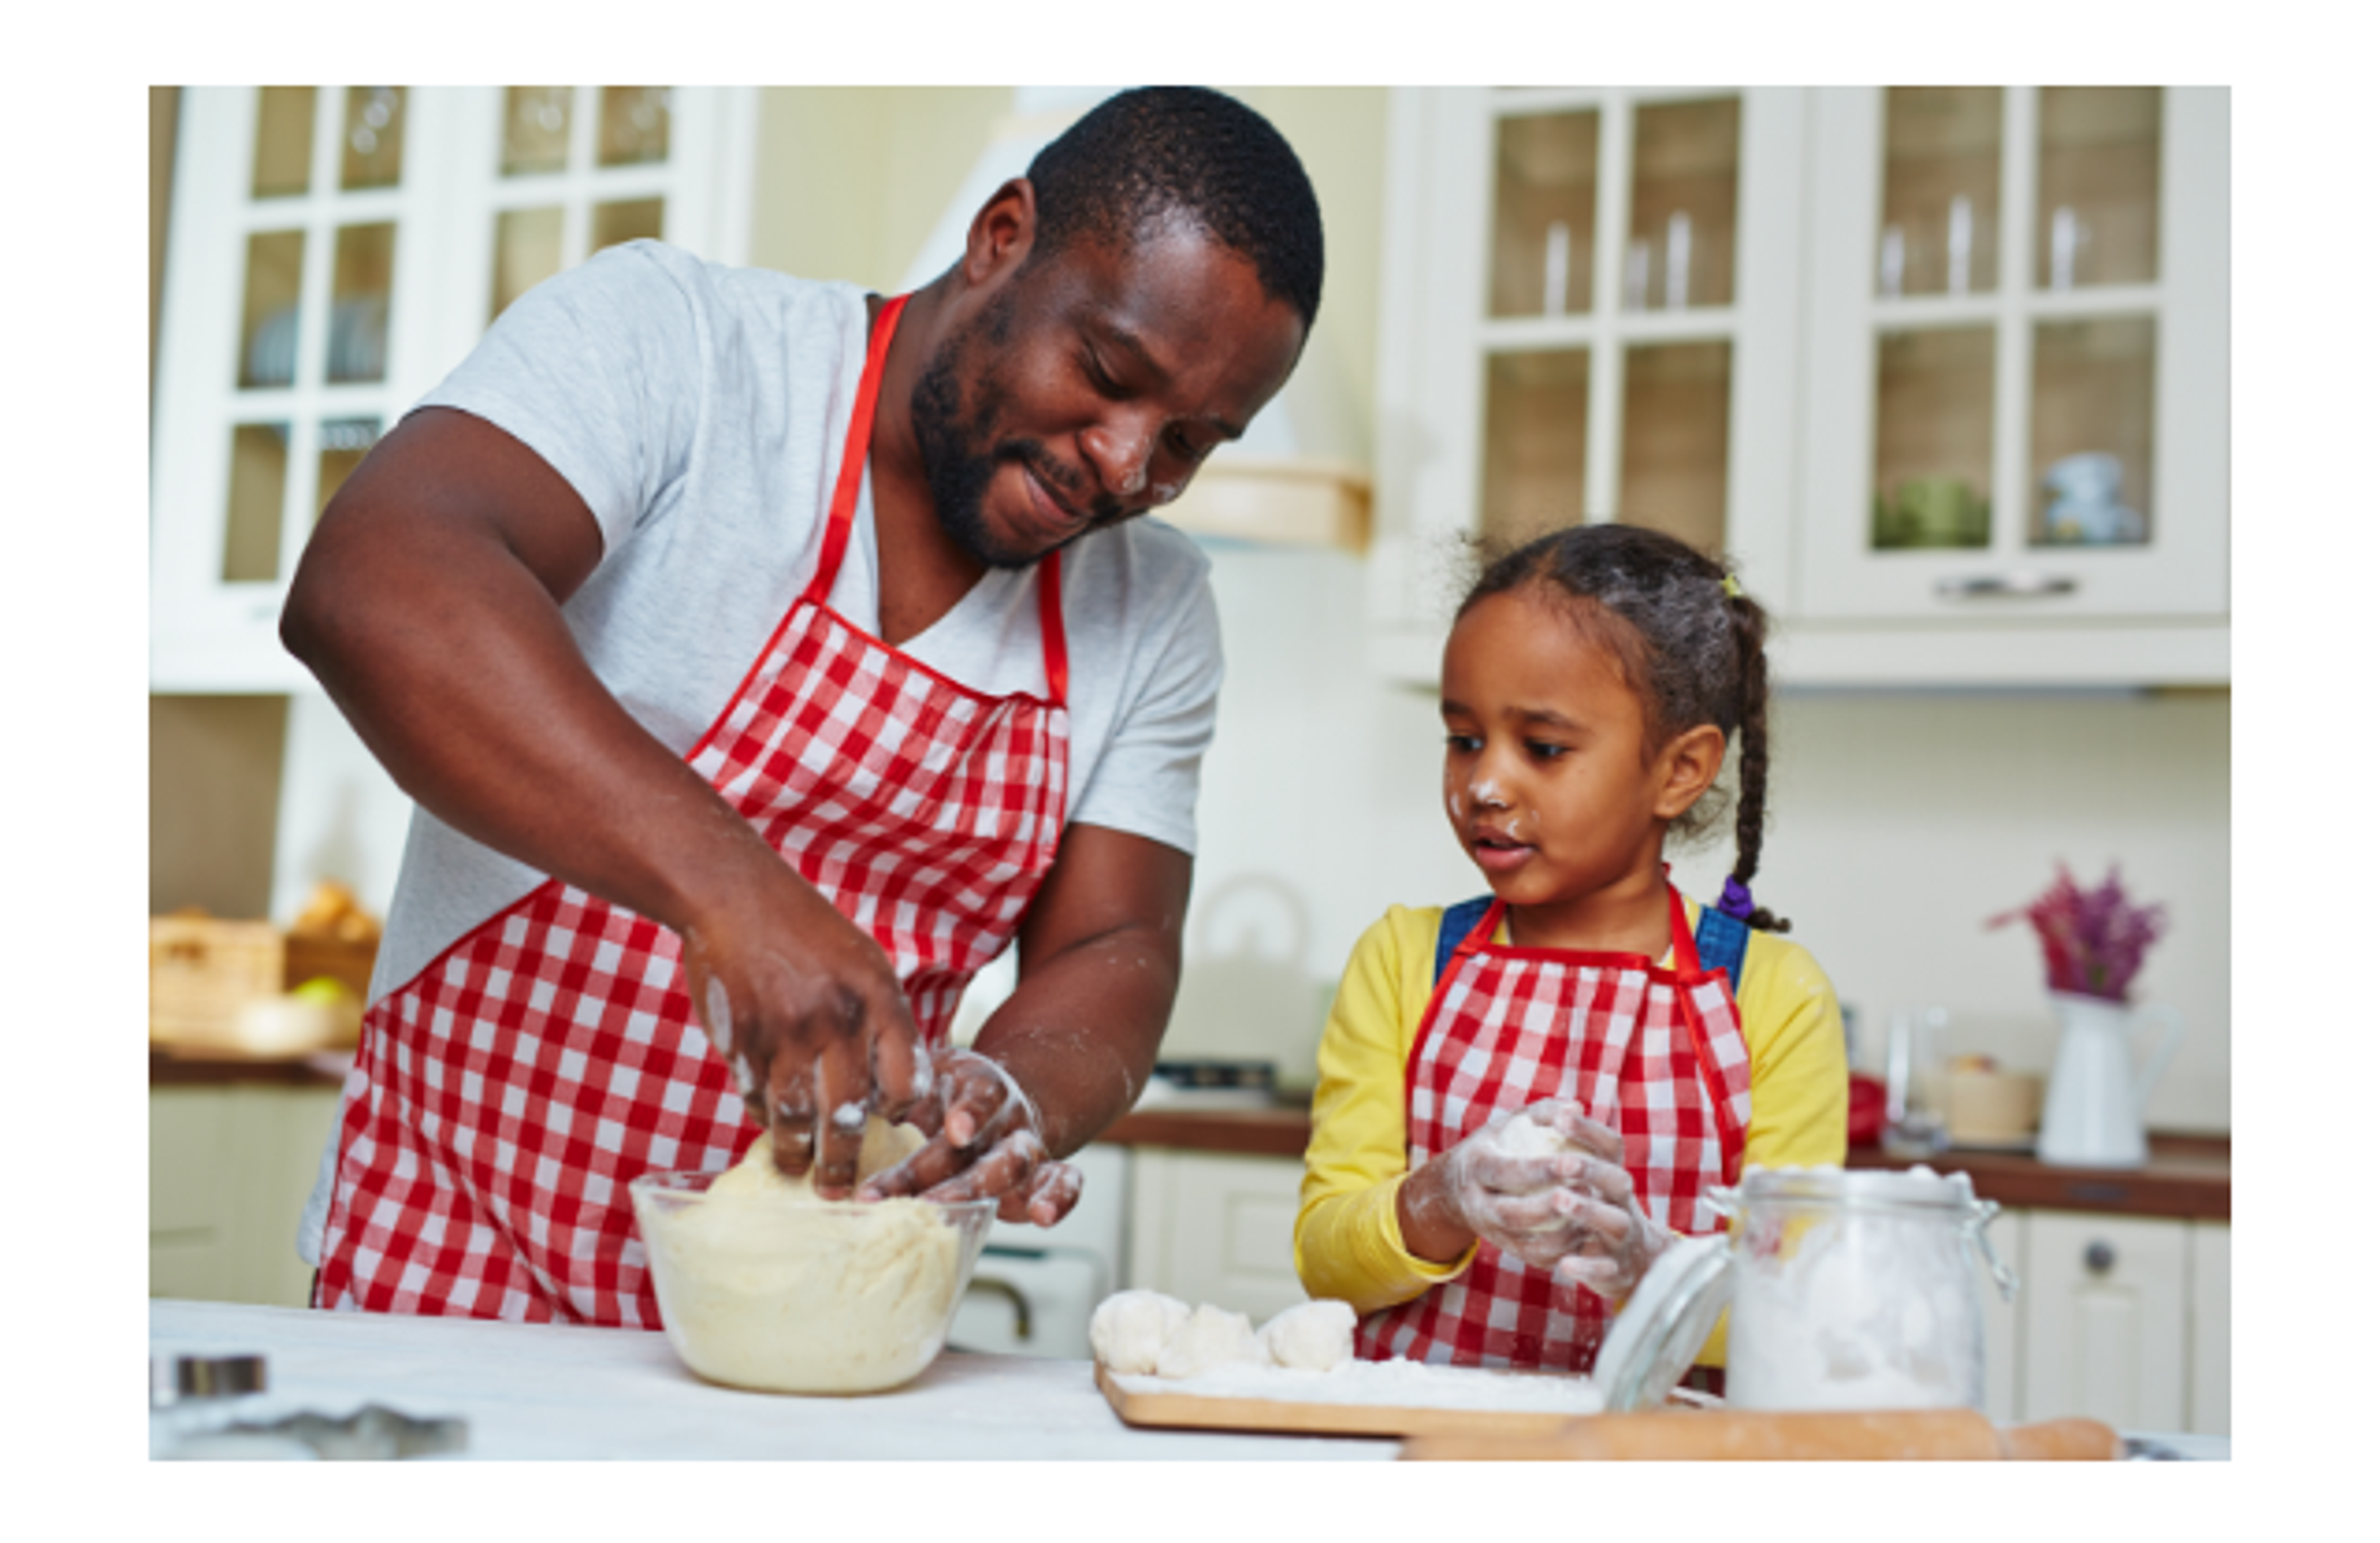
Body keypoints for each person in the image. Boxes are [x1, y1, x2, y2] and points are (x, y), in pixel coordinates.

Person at [280, 87, 1323, 1325]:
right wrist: (739, 896)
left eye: (1193, 442)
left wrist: (1011, 1094)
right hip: (449, 1273)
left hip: (817, 1338)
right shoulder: (683, 347)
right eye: (1105, 372)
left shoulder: (1153, 610)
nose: (1127, 465)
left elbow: (1114, 947)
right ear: (1001, 237)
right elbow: (375, 581)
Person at [1293, 522, 1847, 1377]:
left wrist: (1651, 1269)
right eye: (1464, 738)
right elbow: (1327, 1260)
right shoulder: (1407, 958)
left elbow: (1793, 1302)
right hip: (1420, 1450)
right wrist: (1444, 1195)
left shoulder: (1771, 995)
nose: (1485, 784)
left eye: (1543, 748)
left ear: (1680, 770)